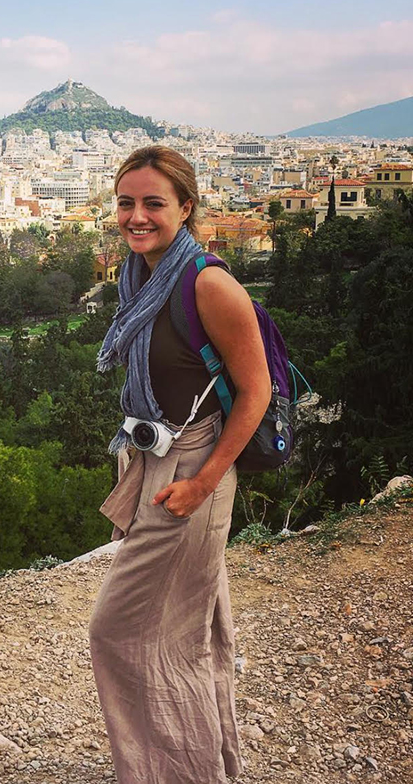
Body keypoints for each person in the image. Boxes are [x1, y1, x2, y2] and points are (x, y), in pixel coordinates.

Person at [89, 145, 272, 784]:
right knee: (192, 634)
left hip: (192, 468)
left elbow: (257, 392)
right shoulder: (138, 275)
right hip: (152, 459)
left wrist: (202, 482)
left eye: (153, 204)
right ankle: (205, 766)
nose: (136, 216)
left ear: (186, 208)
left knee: (120, 633)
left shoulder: (208, 284)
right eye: (126, 203)